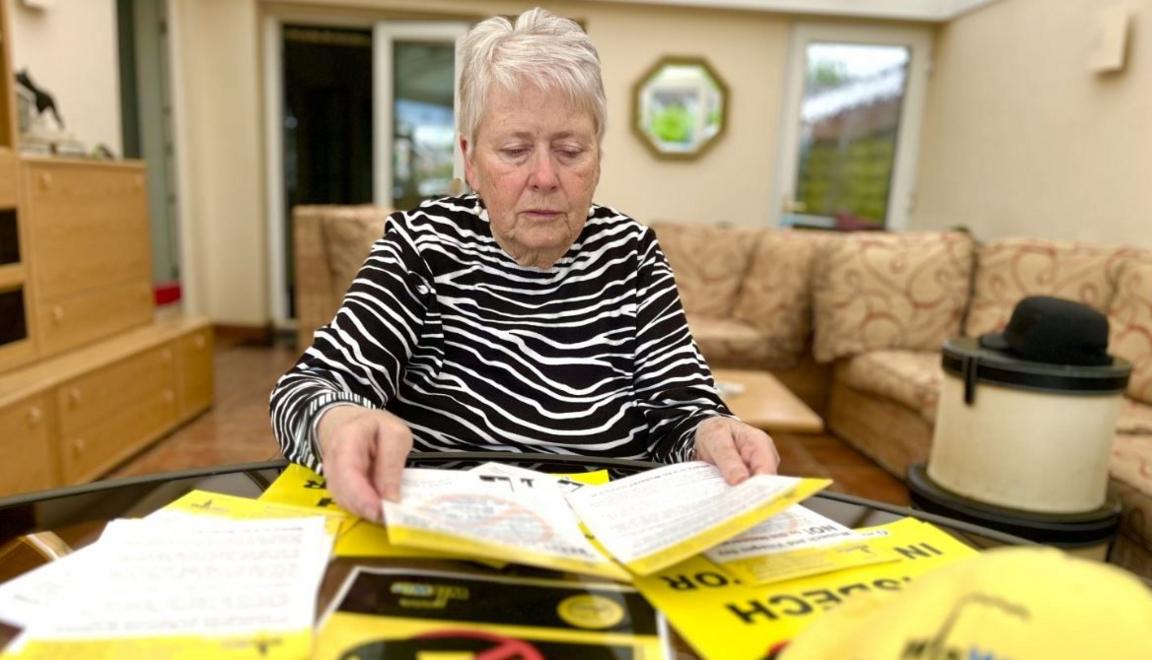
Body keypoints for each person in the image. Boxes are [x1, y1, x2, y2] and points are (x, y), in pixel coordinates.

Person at [269, 8, 779, 521]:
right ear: (470, 160)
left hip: (604, 542)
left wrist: (712, 432)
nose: (544, 177)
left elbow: (680, 411)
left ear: (598, 158)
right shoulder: (421, 245)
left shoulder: (633, 255)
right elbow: (307, 389)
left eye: (570, 150)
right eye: (515, 150)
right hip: (443, 535)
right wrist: (337, 421)